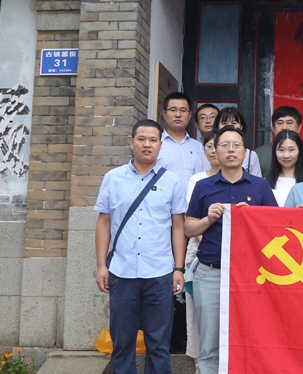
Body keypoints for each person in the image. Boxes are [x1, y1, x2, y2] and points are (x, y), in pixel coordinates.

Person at [94, 119, 187, 374]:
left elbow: (178, 227)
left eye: (153, 140)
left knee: (159, 342)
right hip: (122, 272)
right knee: (122, 341)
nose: (147, 144)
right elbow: (104, 222)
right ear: (131, 142)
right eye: (142, 139)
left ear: (160, 145)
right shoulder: (113, 178)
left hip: (159, 273)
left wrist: (178, 268)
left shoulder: (173, 181)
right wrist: (101, 266)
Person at [185, 125, 279, 374]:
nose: (231, 150)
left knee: (249, 338)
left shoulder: (260, 186)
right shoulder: (203, 186)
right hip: (211, 272)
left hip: (251, 275)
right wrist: (208, 219)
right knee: (209, 343)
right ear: (215, 151)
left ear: (245, 152)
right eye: (224, 145)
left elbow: (276, 228)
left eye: (236, 145)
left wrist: (253, 218)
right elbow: (188, 229)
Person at [183, 130, 222, 367]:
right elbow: (190, 222)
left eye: (221, 145)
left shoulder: (253, 184)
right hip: (203, 257)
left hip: (236, 262)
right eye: (210, 146)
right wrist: (207, 234)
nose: (216, 150)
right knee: (201, 318)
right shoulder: (198, 181)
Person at [158, 92, 208, 183]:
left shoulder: (199, 147)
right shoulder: (155, 145)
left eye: (183, 110)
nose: (178, 115)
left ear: (189, 115)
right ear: (164, 114)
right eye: (173, 110)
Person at [264, 129, 303, 207]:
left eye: (291, 150)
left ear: (300, 152)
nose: (286, 155)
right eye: (281, 150)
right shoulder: (264, 183)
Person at [213, 107, 263, 177]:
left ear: (241, 126)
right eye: (224, 123)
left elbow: (256, 180)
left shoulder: (251, 155)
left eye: (234, 123)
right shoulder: (208, 152)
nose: (229, 126)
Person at [256, 106, 303, 176]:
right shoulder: (259, 154)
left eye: (289, 123)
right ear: (273, 128)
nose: (284, 127)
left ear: (299, 127)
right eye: (280, 123)